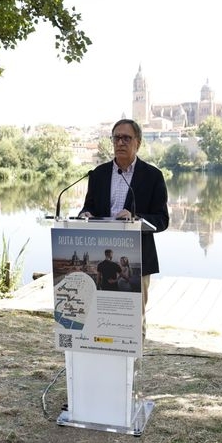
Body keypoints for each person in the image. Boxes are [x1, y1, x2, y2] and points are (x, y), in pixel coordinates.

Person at [79, 118, 169, 309]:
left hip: (138, 257)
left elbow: (162, 220)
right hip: (103, 247)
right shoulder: (98, 174)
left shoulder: (153, 176)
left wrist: (135, 219)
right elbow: (89, 207)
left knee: (134, 319)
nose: (120, 143)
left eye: (126, 138)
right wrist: (85, 214)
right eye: (116, 138)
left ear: (138, 142)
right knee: (101, 311)